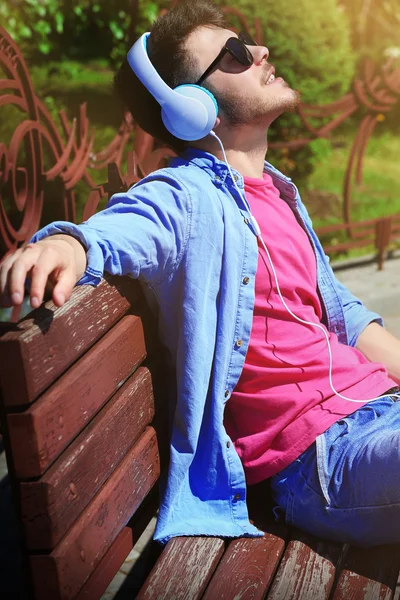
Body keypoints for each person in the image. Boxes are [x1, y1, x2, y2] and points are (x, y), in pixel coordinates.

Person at [2, 0, 400, 547]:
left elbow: (341, 313)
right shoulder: (188, 197)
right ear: (193, 107)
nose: (259, 51)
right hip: (326, 459)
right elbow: (121, 227)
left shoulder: (279, 194)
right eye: (233, 53)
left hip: (381, 412)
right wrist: (70, 242)